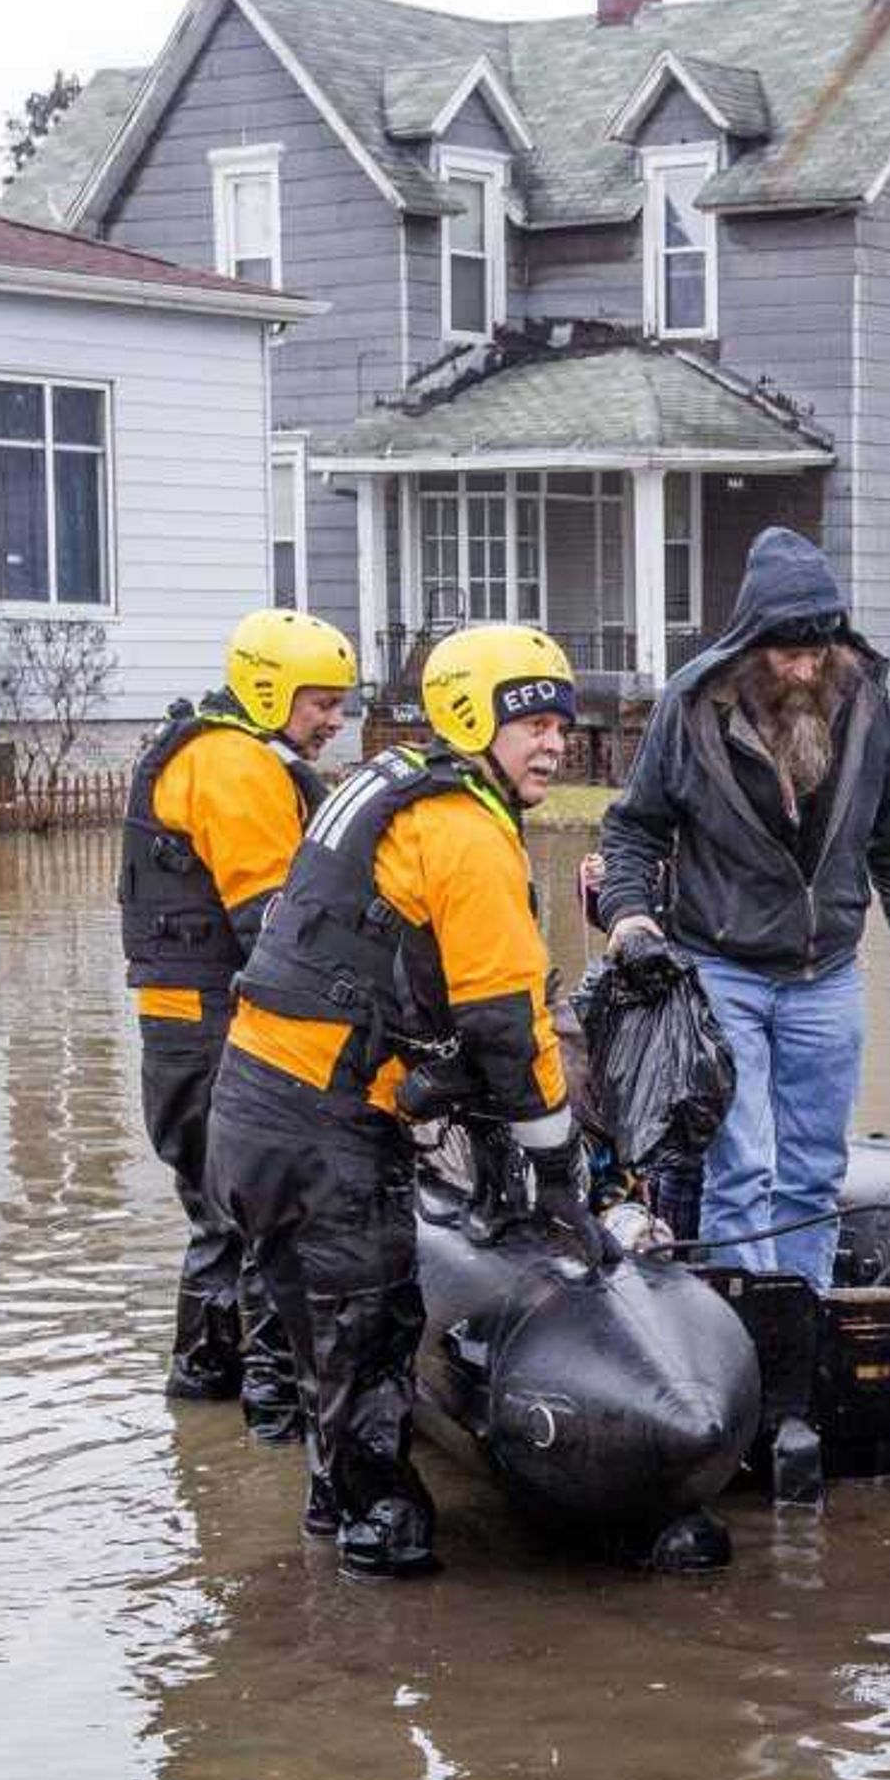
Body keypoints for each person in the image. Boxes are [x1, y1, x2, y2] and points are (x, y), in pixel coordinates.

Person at [205, 624, 603, 1580]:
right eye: (533, 723)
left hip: (250, 1105)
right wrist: (556, 1167)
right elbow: (507, 1021)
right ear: (475, 718)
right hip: (322, 1128)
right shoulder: (463, 829)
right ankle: (380, 1576)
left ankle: (326, 1525)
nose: (553, 743)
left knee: (321, 1352)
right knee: (371, 1335)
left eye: (561, 724)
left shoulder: (385, 786)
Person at [597, 528, 890, 1283]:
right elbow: (633, 829)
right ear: (753, 644)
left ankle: (804, 1320)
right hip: (724, 969)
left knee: (814, 1171)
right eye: (788, 652)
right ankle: (744, 1329)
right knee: (742, 1169)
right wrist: (629, 914)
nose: (805, 667)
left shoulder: (866, 706)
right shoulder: (689, 709)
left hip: (828, 974)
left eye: (818, 650)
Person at [120, 606, 355, 1441]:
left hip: (180, 1025)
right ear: (270, 690)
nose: (336, 719)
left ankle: (204, 1403)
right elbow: (274, 925)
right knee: (261, 1215)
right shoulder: (236, 766)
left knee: (219, 1220)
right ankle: (270, 1417)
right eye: (321, 702)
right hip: (217, 1028)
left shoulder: (211, 749)